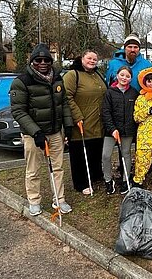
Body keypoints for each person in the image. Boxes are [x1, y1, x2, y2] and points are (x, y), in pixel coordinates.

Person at [10, 43, 74, 216]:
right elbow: (18, 111)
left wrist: (68, 126)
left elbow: (64, 103)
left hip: (55, 132)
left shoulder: (57, 78)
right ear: (32, 61)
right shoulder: (22, 81)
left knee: (58, 168)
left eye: (46, 59)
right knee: (33, 169)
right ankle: (34, 201)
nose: (43, 63)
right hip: (34, 135)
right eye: (38, 60)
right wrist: (36, 132)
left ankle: (59, 199)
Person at [63, 50, 106, 195]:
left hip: (97, 122)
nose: (92, 61)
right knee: (80, 153)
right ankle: (80, 182)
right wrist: (77, 117)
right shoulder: (72, 75)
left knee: (95, 149)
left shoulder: (97, 75)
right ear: (82, 59)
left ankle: (95, 175)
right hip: (81, 121)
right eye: (89, 58)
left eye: (95, 58)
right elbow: (67, 97)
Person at [101, 66, 139, 195]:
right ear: (117, 75)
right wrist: (112, 129)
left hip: (127, 130)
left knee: (126, 154)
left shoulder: (134, 93)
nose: (124, 78)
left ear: (131, 79)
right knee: (106, 155)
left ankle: (125, 180)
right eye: (122, 75)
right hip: (111, 131)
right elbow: (106, 112)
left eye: (127, 76)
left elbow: (136, 112)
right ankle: (108, 180)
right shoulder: (110, 92)